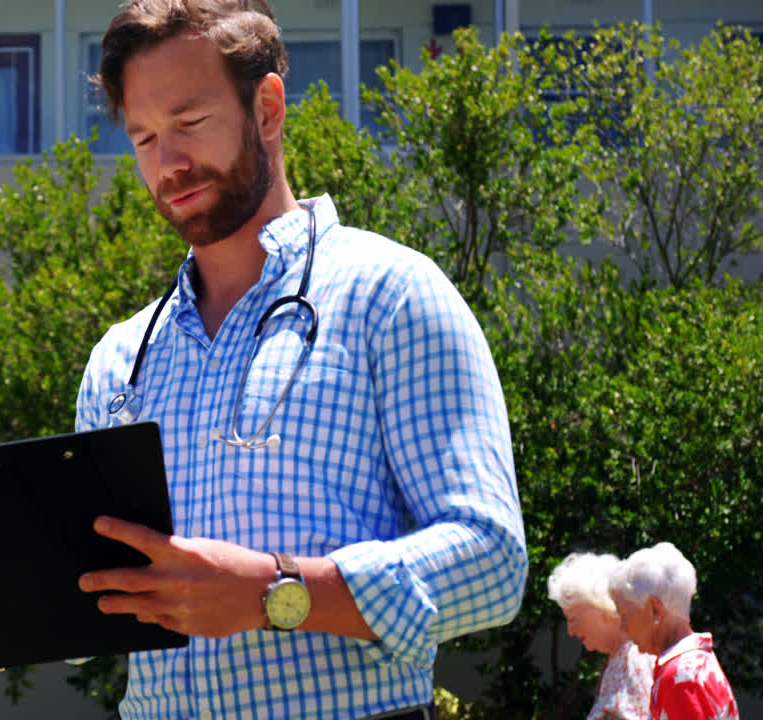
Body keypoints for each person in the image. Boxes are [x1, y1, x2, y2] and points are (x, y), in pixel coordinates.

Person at [73, 2, 528, 718]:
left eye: (190, 124)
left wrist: (274, 591)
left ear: (268, 108)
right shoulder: (119, 360)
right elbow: (95, 596)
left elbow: (493, 565)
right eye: (145, 138)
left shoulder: (391, 296)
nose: (168, 164)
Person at [609, 542, 739, 720]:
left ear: (654, 609)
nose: (623, 627)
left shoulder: (681, 678)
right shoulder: (693, 664)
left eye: (625, 615)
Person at [548, 552, 655, 719]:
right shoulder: (621, 659)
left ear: (602, 608)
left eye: (573, 619)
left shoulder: (633, 659)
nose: (570, 631)